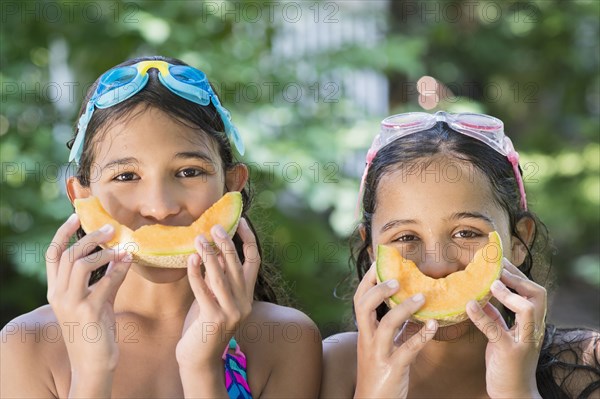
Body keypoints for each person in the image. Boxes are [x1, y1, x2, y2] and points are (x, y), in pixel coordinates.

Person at [0, 56, 322, 398]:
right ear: (82, 198)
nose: (160, 208)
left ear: (232, 187)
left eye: (189, 172)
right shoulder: (26, 344)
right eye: (126, 176)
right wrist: (91, 370)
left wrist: (202, 368)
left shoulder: (287, 339)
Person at [320, 111, 600, 398]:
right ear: (372, 252)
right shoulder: (334, 367)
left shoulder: (587, 364)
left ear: (518, 240)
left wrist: (519, 392)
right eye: (406, 237)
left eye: (467, 233)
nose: (438, 265)